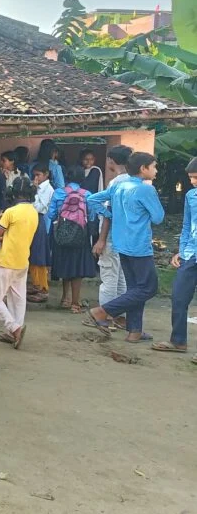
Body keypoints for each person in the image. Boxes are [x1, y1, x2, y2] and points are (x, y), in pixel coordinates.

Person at [86, 153, 165, 342]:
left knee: (135, 289)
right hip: (139, 246)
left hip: (121, 244)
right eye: (153, 166)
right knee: (149, 288)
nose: (156, 170)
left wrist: (109, 214)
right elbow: (158, 217)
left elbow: (92, 199)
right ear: (143, 168)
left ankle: (134, 331)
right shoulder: (146, 190)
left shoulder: (118, 185)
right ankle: (103, 311)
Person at [153, 157, 197, 361]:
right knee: (179, 297)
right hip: (190, 255)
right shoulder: (191, 196)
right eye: (191, 177)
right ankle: (178, 340)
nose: (194, 181)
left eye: (196, 177)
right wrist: (180, 250)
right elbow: (187, 225)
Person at [0, 177, 38, 349]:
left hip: (5, 260)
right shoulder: (33, 211)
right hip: (22, 260)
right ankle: (15, 330)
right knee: (18, 298)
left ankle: (14, 328)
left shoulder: (10, 212)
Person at [91, 145, 133, 326]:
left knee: (108, 278)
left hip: (111, 237)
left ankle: (104, 316)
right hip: (126, 238)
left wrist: (101, 240)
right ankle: (119, 316)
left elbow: (109, 213)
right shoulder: (134, 182)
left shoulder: (115, 183)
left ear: (111, 161)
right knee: (121, 278)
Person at [47, 166, 97, 313]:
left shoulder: (58, 193)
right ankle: (75, 303)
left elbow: (51, 215)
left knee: (65, 264)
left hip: (62, 234)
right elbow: (92, 215)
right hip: (81, 234)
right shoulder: (87, 194)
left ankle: (64, 298)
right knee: (77, 268)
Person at [28, 164, 54, 303]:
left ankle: (43, 288)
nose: (36, 178)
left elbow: (39, 206)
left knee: (39, 256)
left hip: (39, 220)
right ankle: (36, 284)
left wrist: (34, 191)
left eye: (38, 175)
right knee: (32, 254)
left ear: (46, 174)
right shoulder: (38, 187)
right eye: (34, 175)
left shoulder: (47, 189)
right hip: (32, 220)